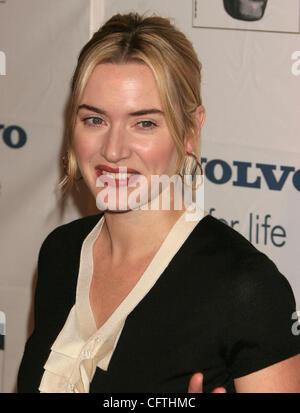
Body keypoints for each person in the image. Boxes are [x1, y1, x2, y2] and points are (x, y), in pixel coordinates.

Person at [18, 12, 300, 393]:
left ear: (190, 130)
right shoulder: (60, 253)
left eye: (144, 123)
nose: (113, 150)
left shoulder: (244, 288)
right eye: (95, 119)